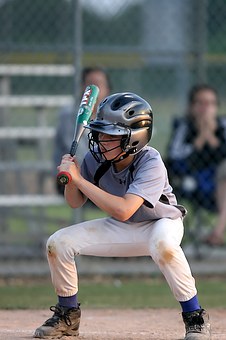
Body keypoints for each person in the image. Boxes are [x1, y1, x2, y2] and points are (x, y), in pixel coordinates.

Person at [34, 93, 211, 340]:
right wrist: (71, 179)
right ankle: (68, 315)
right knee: (59, 242)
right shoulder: (96, 158)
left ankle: (195, 318)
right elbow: (74, 202)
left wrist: (80, 180)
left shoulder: (151, 161)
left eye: (110, 136)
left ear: (134, 138)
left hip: (162, 223)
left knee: (164, 246)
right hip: (124, 226)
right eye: (100, 133)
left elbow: (124, 208)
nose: (101, 141)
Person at [167, 84, 226, 246]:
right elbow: (174, 156)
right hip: (191, 183)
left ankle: (217, 232)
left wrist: (212, 138)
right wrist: (200, 139)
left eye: (210, 103)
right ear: (192, 106)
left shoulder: (222, 126)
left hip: (219, 184)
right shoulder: (184, 126)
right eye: (200, 103)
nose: (205, 109)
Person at [53, 66, 111, 195]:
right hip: (70, 177)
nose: (96, 89)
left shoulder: (111, 116)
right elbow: (78, 155)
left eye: (99, 84)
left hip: (102, 176)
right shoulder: (69, 114)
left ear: (107, 89)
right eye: (90, 84)